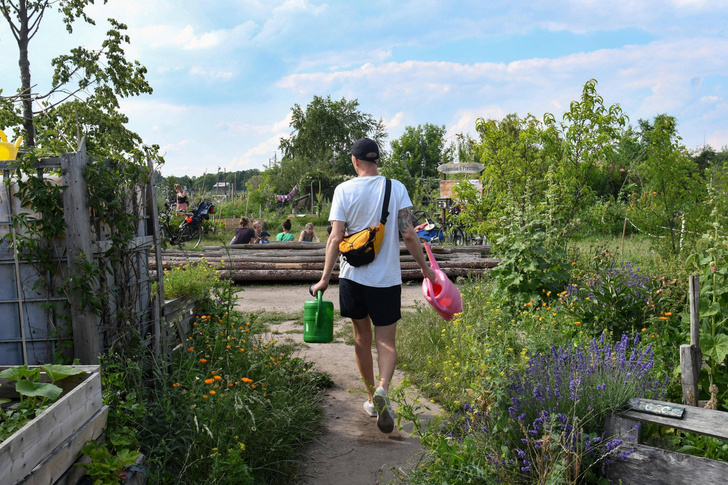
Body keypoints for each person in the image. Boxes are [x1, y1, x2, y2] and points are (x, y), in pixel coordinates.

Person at [311, 137, 436, 434]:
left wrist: (325, 277)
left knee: (361, 338)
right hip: (387, 280)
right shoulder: (397, 188)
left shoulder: (343, 190)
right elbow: (408, 234)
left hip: (353, 278)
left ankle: (370, 398)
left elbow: (334, 237)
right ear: (377, 160)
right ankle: (383, 389)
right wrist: (425, 269)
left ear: (355, 162)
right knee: (387, 342)